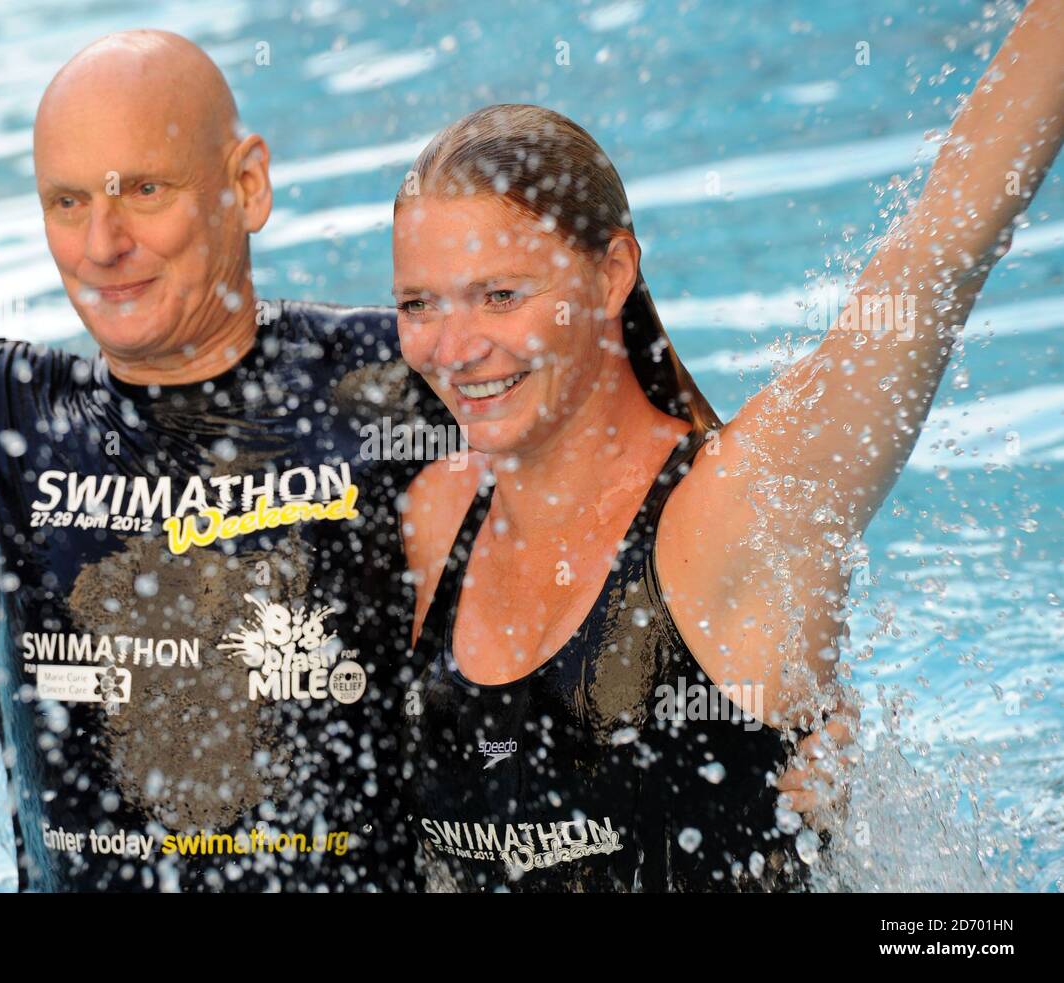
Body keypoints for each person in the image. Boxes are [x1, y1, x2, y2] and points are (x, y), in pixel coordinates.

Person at [391, 0, 1064, 891]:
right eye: (418, 305)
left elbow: (940, 249)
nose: (453, 347)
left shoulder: (738, 510)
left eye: (500, 295)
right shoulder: (433, 516)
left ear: (610, 274)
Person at [0, 30, 452, 892]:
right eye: (67, 202)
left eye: (144, 192)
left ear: (247, 184)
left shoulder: (406, 380)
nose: (101, 244)